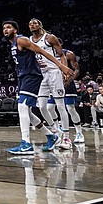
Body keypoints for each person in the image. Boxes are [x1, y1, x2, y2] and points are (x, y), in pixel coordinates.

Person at [2, 20, 73, 155]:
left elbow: (42, 51)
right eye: (4, 28)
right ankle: (51, 136)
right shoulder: (13, 44)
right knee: (28, 111)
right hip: (24, 77)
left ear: (15, 30)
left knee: (22, 106)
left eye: (9, 27)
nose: (6, 30)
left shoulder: (21, 40)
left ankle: (26, 144)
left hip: (33, 76)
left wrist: (62, 66)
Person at [28, 19, 71, 150]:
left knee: (60, 106)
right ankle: (56, 132)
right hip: (41, 75)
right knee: (41, 106)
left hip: (54, 72)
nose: (32, 25)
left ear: (40, 25)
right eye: (30, 24)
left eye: (35, 23)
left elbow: (61, 55)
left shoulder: (50, 38)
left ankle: (67, 138)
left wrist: (64, 70)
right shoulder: (29, 40)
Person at [55, 46, 85, 144]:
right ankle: (57, 130)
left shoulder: (68, 54)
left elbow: (77, 69)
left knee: (70, 108)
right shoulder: (45, 53)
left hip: (67, 83)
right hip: (54, 82)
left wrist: (70, 78)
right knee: (49, 107)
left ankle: (79, 132)